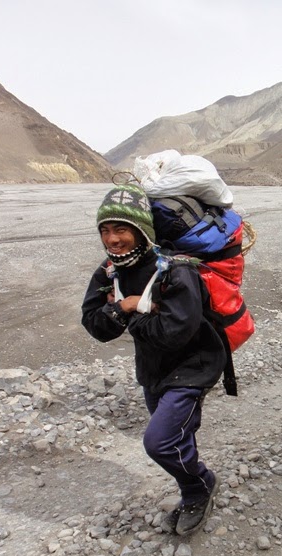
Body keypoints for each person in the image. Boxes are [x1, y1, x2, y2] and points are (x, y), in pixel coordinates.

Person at [81, 184, 224, 535]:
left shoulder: (176, 269)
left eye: (121, 229)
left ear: (141, 229)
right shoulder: (110, 272)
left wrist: (130, 314)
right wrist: (125, 306)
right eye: (105, 230)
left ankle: (200, 486)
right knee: (178, 434)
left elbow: (174, 331)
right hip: (152, 370)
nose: (112, 239)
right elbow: (95, 325)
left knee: (159, 442)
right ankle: (193, 488)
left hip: (194, 366)